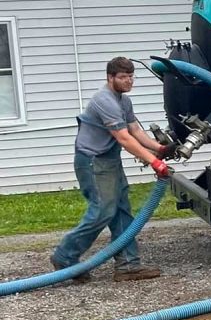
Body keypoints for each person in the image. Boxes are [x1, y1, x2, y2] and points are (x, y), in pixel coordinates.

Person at [51, 57, 175, 283]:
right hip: (92, 161)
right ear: (110, 78)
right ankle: (65, 257)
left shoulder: (123, 101)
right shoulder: (104, 100)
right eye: (123, 77)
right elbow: (124, 138)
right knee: (102, 210)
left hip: (109, 159)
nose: (128, 81)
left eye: (131, 76)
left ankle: (128, 265)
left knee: (121, 210)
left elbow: (134, 130)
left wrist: (160, 148)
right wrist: (154, 162)